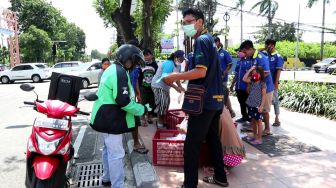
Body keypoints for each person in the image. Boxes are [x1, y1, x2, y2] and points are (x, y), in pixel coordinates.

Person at [165, 8, 229, 188]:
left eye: (189, 21)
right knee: (213, 140)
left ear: (199, 22)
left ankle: (190, 185)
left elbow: (201, 71)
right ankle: (220, 178)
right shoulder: (210, 40)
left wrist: (174, 77)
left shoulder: (201, 40)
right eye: (184, 23)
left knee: (191, 146)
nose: (186, 25)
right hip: (215, 101)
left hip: (204, 103)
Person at [90, 44, 147, 188]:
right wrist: (142, 110)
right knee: (116, 154)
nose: (134, 65)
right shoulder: (119, 72)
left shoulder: (113, 69)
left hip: (104, 117)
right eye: (133, 61)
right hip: (110, 120)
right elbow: (123, 101)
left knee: (108, 150)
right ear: (127, 59)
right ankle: (118, 185)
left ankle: (107, 178)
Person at [240, 40, 274, 136]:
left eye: (245, 52)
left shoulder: (261, 57)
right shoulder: (249, 58)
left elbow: (266, 72)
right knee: (253, 108)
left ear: (250, 49)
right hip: (255, 88)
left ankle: (267, 129)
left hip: (265, 88)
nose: (244, 54)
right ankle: (252, 126)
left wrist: (253, 80)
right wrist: (249, 85)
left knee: (264, 109)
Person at [151, 50, 185, 128]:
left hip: (165, 86)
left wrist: (180, 86)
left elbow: (177, 78)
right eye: (181, 59)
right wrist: (176, 87)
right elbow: (164, 79)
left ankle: (162, 120)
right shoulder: (168, 64)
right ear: (176, 58)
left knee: (166, 103)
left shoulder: (178, 65)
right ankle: (159, 123)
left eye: (183, 59)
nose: (182, 61)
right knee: (162, 103)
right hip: (158, 85)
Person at [261, 39, 284, 127]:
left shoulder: (278, 56)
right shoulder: (266, 55)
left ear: (273, 46)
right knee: (266, 100)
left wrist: (276, 84)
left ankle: (277, 118)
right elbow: (257, 52)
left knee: (275, 100)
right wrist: (264, 48)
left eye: (268, 45)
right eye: (266, 45)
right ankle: (265, 117)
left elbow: (278, 71)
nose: (267, 47)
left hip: (273, 83)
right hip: (265, 82)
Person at [243, 66, 267, 145]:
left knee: (259, 122)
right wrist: (250, 70)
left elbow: (264, 95)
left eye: (256, 73)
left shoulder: (262, 84)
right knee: (253, 121)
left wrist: (261, 106)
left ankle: (259, 138)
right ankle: (255, 136)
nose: (254, 74)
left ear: (261, 74)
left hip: (257, 105)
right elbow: (244, 79)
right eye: (253, 73)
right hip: (250, 104)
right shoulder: (252, 81)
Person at [214, 37, 235, 118]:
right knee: (216, 95)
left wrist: (224, 72)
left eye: (215, 42)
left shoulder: (224, 52)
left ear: (218, 42)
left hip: (223, 78)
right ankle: (219, 110)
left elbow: (230, 64)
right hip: (214, 79)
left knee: (224, 94)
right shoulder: (212, 52)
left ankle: (230, 110)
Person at [138, 49, 158, 125]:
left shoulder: (154, 65)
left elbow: (157, 75)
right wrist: (138, 89)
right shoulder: (141, 65)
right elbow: (138, 78)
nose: (146, 57)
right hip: (143, 87)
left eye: (147, 55)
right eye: (144, 55)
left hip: (152, 87)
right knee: (143, 102)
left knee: (151, 103)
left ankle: (148, 116)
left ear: (151, 56)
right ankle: (142, 118)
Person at [230, 50, 250, 123]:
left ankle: (251, 117)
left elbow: (250, 75)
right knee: (241, 102)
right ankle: (244, 116)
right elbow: (236, 74)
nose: (239, 53)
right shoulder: (239, 62)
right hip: (238, 86)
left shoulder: (248, 61)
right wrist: (232, 85)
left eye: (240, 51)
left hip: (245, 87)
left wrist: (248, 86)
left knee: (247, 102)